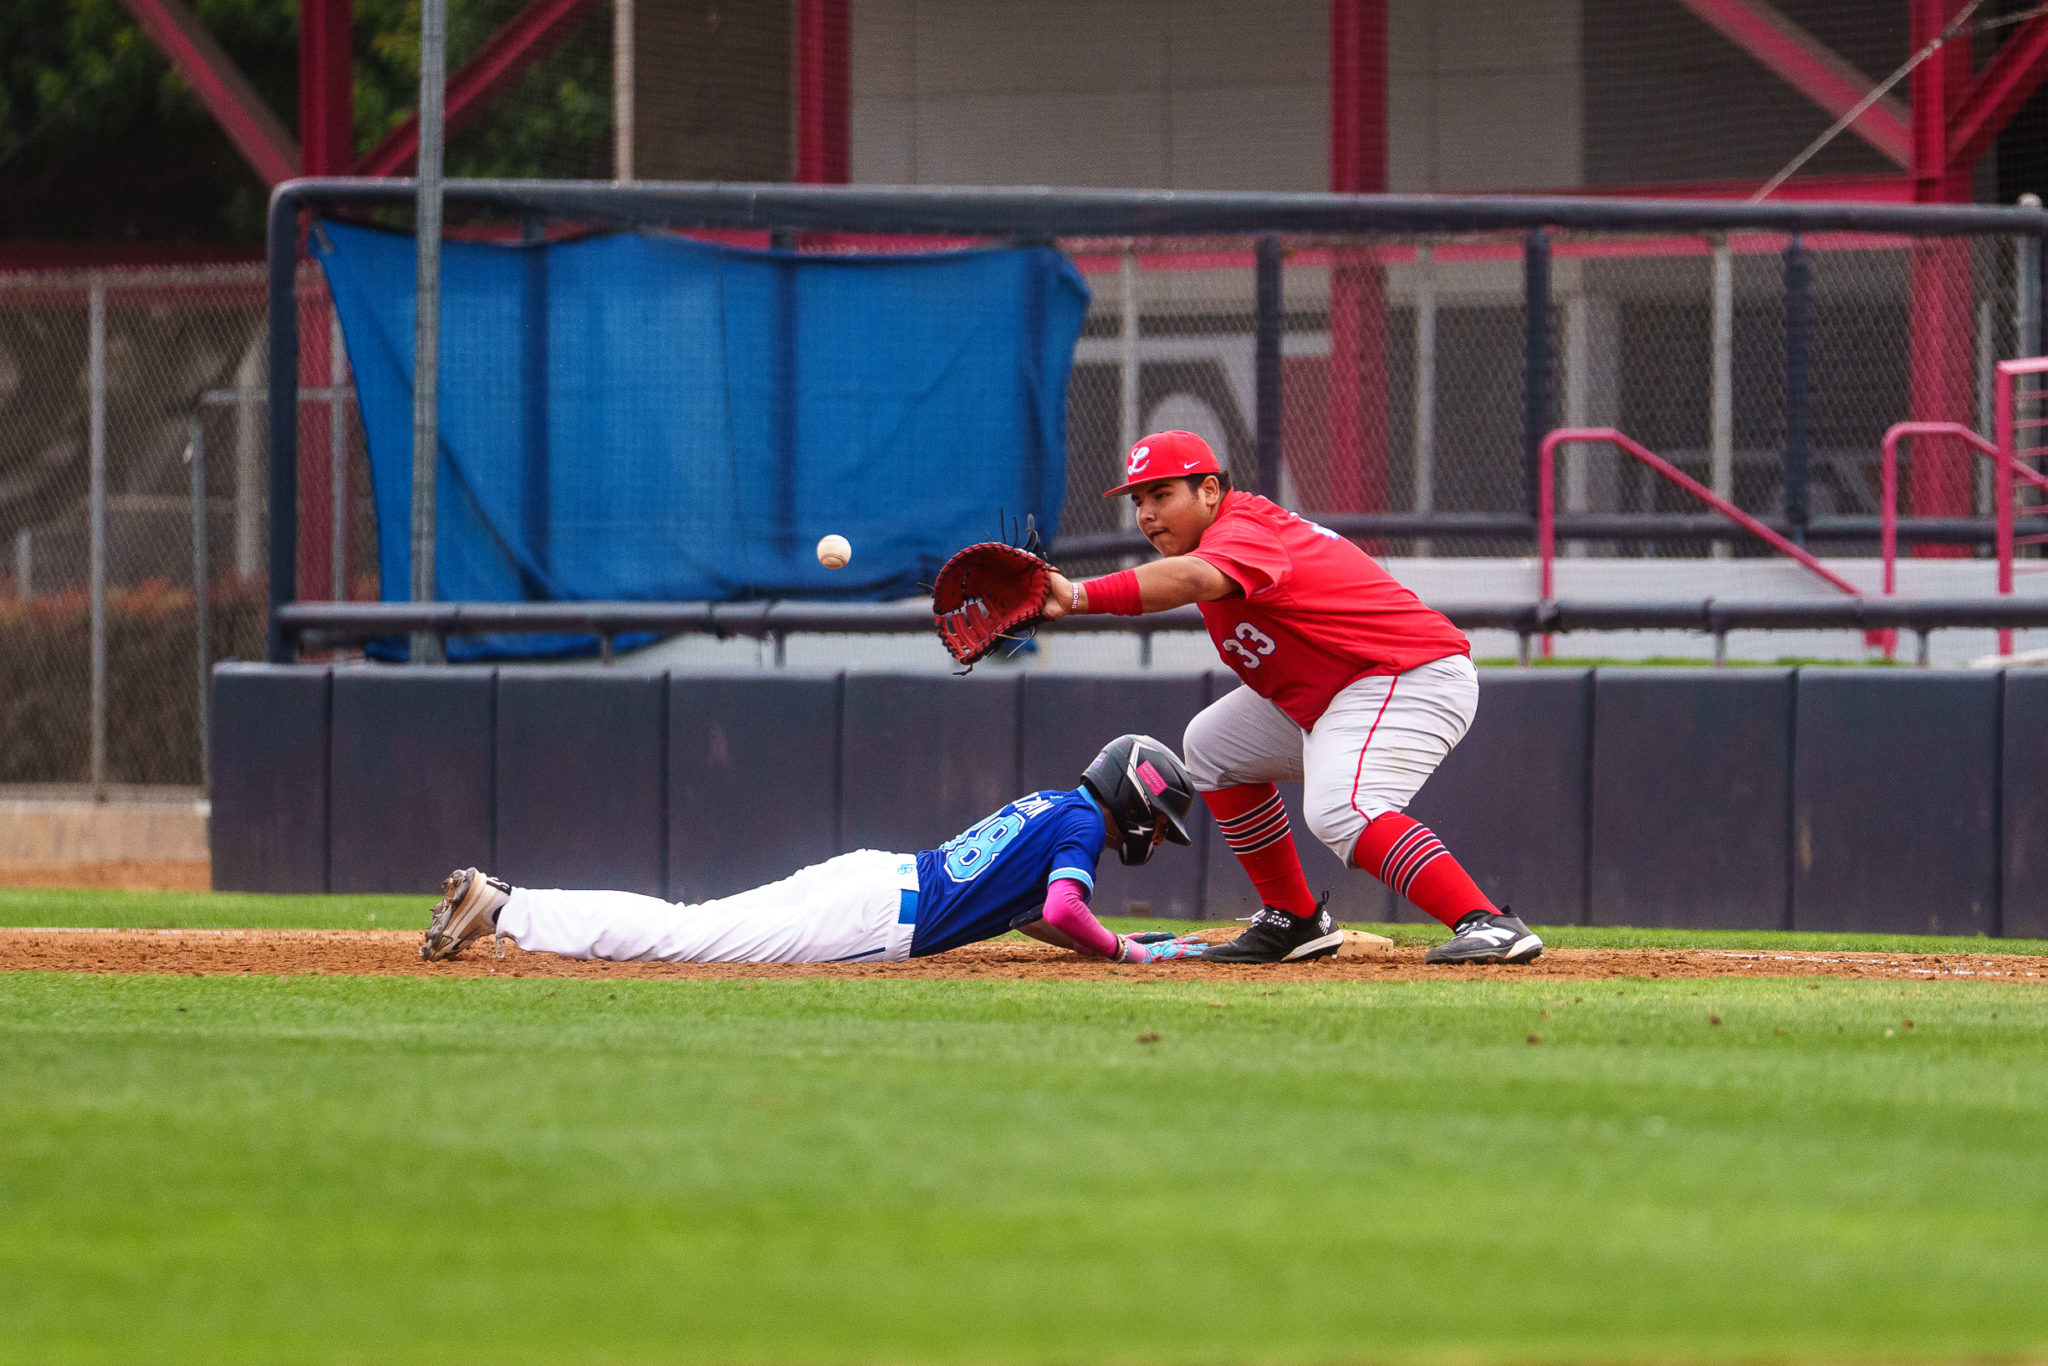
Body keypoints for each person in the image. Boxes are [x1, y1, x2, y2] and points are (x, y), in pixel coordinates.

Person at [1039, 430, 1542, 967]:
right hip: (1342, 689)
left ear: (1209, 490)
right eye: (1139, 500)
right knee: (1213, 745)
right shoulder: (1217, 539)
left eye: (1162, 495)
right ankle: (1294, 920)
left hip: (1408, 674)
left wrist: (1077, 595)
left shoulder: (1244, 528)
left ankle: (1487, 922)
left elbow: (1190, 580)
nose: (1146, 513)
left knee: (1339, 810)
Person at [418, 734, 1210, 967]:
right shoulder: (1082, 828)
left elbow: (1033, 912)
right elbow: (1065, 908)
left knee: (692, 922)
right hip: (879, 918)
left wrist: (1101, 942)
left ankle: (509, 906)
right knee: (685, 937)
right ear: (1134, 801)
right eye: (1159, 818)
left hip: (874, 878)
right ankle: (508, 908)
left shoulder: (1057, 805)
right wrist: (1120, 952)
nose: (1157, 833)